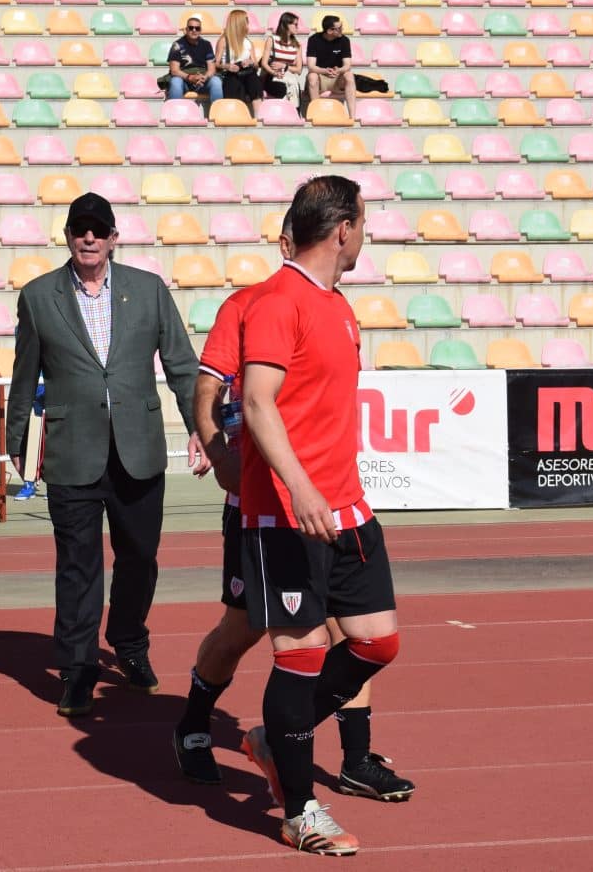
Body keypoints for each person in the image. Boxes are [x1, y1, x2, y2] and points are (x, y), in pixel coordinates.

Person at [173, 213, 412, 809]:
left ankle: (352, 756)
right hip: (263, 505)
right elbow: (212, 393)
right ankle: (195, 720)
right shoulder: (251, 304)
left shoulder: (338, 307)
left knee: (346, 632)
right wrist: (222, 456)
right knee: (245, 627)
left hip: (327, 504)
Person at [235, 176, 405, 855]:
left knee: (378, 642)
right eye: (363, 223)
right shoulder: (279, 301)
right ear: (342, 230)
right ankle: (299, 809)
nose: (365, 234)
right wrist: (301, 489)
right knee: (300, 654)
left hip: (348, 507)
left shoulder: (337, 305)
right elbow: (256, 402)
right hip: (287, 514)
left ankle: (274, 738)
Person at [7, 192, 209, 718]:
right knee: (77, 566)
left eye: (99, 230)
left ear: (114, 237)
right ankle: (77, 668)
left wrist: (201, 428)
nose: (89, 238)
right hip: (73, 451)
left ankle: (129, 640)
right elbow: (25, 376)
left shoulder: (148, 290)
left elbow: (182, 365)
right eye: (80, 230)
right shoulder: (37, 296)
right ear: (68, 236)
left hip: (138, 450)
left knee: (139, 558)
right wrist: (16, 441)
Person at [306, 15, 356, 121]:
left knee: (349, 75)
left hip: (337, 78)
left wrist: (339, 70)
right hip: (321, 76)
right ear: (329, 31)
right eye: (339, 28)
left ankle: (352, 117)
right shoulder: (314, 39)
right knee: (312, 77)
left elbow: (347, 65)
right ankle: (317, 115)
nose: (342, 29)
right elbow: (311, 66)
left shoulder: (344, 40)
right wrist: (325, 70)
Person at [213, 9, 262, 109]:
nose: (248, 25)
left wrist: (251, 62)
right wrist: (227, 66)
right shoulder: (223, 40)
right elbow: (215, 63)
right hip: (231, 74)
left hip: (247, 73)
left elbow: (256, 65)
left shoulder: (248, 42)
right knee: (235, 84)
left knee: (254, 80)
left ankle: (259, 117)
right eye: (246, 22)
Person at [166, 18, 221, 104]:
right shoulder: (177, 45)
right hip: (184, 80)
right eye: (191, 28)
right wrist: (190, 77)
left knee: (216, 81)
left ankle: (218, 114)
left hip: (202, 81)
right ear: (186, 29)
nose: (194, 30)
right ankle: (174, 113)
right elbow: (174, 70)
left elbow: (212, 69)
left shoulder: (206, 44)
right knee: (175, 81)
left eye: (197, 28)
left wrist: (204, 77)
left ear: (200, 30)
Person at [260, 12, 304, 109]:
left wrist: (284, 66)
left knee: (294, 87)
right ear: (286, 25)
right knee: (283, 89)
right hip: (271, 76)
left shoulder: (297, 45)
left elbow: (299, 70)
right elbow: (264, 63)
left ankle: (294, 113)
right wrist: (274, 73)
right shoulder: (272, 40)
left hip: (288, 76)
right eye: (295, 24)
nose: (298, 27)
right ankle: (288, 112)